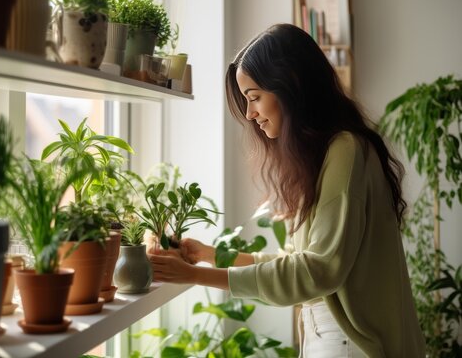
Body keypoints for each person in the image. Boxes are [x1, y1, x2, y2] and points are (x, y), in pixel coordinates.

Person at [148, 23, 426, 357]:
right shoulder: (327, 152)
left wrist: (196, 276)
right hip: (328, 335)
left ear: (290, 84)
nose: (250, 114)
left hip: (349, 341)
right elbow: (296, 261)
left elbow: (318, 271)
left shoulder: (345, 149)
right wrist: (207, 256)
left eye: (254, 98)